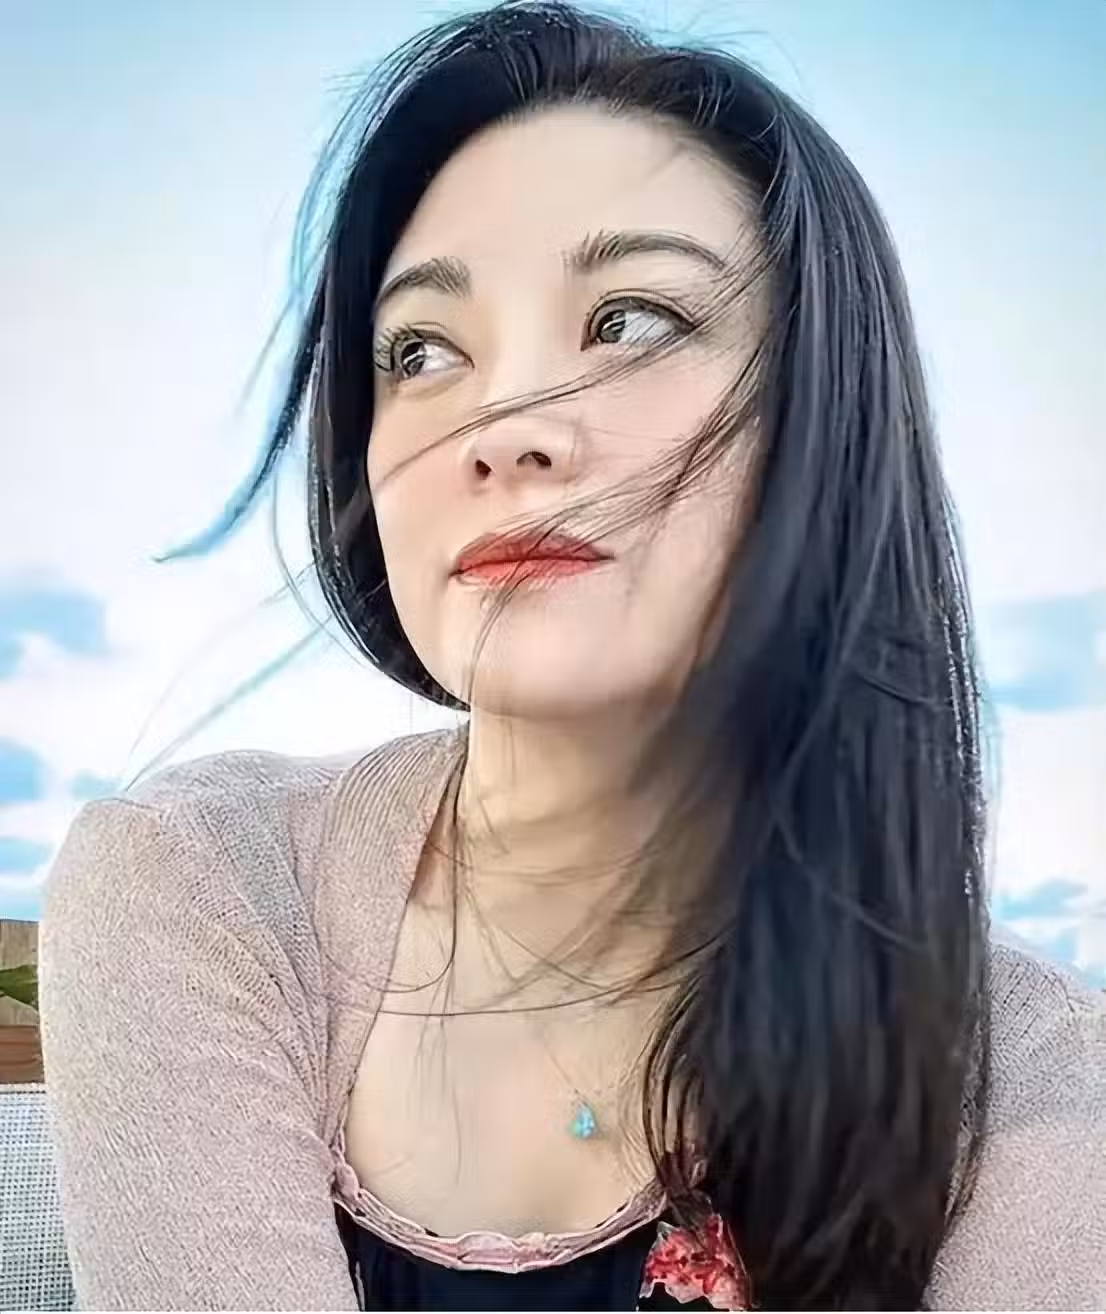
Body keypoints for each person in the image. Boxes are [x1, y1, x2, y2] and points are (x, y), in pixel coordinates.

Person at [39, 3, 1104, 1310]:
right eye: (421, 350)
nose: (502, 423)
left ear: (824, 416)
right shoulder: (206, 886)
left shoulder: (1030, 1074)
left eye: (631, 321)